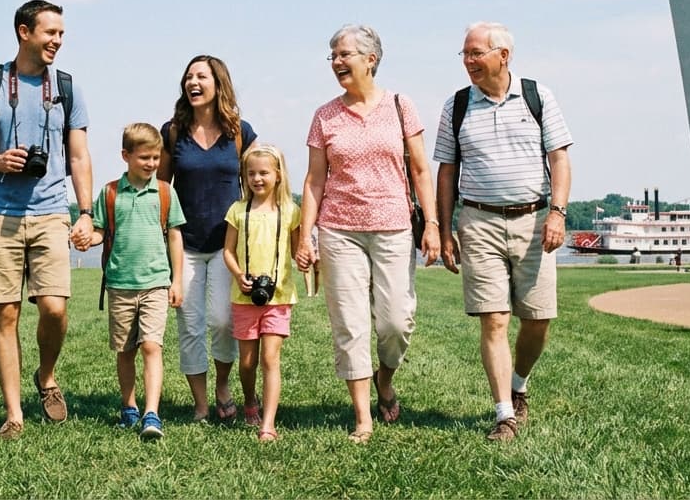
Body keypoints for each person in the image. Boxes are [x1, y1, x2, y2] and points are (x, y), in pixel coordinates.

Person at [0, 0, 94, 439]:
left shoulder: (67, 87)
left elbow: (78, 154)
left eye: (62, 35)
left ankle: (45, 376)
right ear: (23, 31)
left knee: (54, 308)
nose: (57, 42)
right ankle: (14, 413)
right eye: (50, 33)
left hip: (51, 210)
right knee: (6, 315)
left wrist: (85, 213)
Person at [295, 25, 440, 444]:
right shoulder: (324, 115)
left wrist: (430, 223)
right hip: (339, 229)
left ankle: (385, 379)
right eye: (333, 56)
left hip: (394, 225)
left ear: (370, 59)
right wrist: (307, 237)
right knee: (351, 324)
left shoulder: (399, 105)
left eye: (344, 55)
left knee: (396, 321)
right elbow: (314, 181)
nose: (337, 62)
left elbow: (418, 169)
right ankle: (363, 417)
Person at [434, 22, 573, 442]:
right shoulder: (456, 105)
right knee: (493, 320)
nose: (468, 62)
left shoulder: (537, 96)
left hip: (533, 221)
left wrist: (558, 213)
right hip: (478, 221)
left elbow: (560, 160)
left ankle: (519, 384)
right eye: (464, 54)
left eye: (476, 53)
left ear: (503, 56)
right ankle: (504, 415)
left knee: (538, 319)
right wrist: (442, 229)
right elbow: (445, 172)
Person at [157, 54, 257, 423]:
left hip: (226, 245)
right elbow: (161, 190)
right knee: (190, 325)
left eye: (202, 76)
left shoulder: (240, 131)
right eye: (188, 77)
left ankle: (223, 386)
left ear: (219, 84)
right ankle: (200, 402)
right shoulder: (172, 131)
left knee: (222, 321)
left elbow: (257, 184)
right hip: (185, 244)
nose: (193, 83)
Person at [79, 123, 185, 440]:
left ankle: (152, 413)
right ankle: (129, 406)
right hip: (120, 285)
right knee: (125, 351)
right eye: (144, 158)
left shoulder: (165, 192)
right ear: (126, 156)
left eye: (156, 157)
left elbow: (175, 237)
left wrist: (176, 281)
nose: (151, 164)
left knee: (152, 346)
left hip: (155, 283)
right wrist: (88, 237)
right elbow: (100, 231)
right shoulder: (110, 193)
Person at [222, 144, 302, 443]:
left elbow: (297, 250)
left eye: (264, 173)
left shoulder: (290, 211)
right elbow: (227, 251)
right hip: (244, 297)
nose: (257, 179)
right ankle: (249, 400)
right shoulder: (237, 210)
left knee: (270, 358)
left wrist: (309, 256)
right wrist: (239, 275)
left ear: (278, 175)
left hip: (279, 297)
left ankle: (268, 423)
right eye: (251, 173)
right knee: (247, 362)